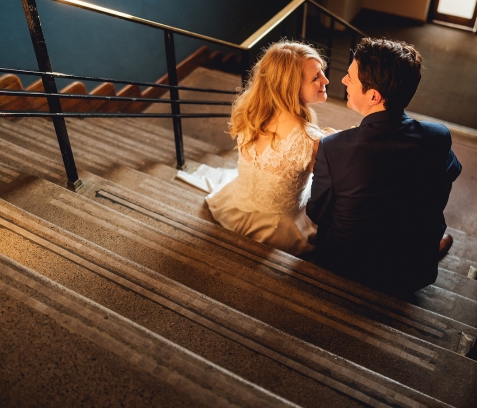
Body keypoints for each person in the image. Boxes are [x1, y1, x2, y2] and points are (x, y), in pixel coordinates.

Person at [307, 38, 462, 296]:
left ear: (374, 96)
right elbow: (447, 178)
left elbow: (317, 214)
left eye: (350, 77)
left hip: (344, 270)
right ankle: (426, 248)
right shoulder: (437, 136)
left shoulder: (333, 148)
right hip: (412, 273)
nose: (343, 81)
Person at [180, 40, 331, 256]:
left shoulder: (251, 112)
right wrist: (330, 143)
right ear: (290, 87)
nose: (325, 80)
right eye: (316, 77)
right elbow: (329, 181)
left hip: (236, 204)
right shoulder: (309, 139)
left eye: (322, 73)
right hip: (278, 228)